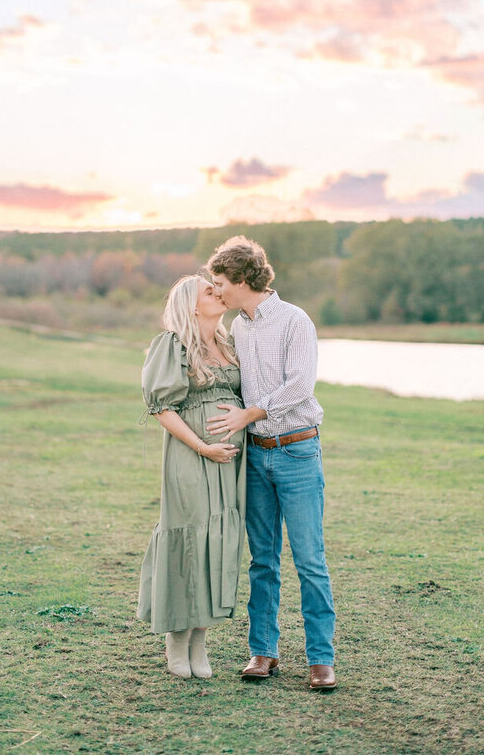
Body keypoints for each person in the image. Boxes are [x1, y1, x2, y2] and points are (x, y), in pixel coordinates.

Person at [206, 235, 338, 691]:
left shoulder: (294, 320)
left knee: (309, 559)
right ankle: (263, 652)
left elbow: (301, 384)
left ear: (243, 278)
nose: (216, 289)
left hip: (298, 452)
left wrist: (251, 413)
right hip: (256, 458)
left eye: (220, 281)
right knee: (263, 561)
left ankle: (321, 659)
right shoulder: (238, 328)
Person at [137, 274, 247, 679]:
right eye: (209, 290)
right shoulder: (173, 344)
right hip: (191, 456)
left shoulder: (229, 344)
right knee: (188, 539)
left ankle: (200, 641)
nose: (218, 293)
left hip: (231, 462)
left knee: (217, 543)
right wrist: (202, 446)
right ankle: (176, 643)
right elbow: (162, 409)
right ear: (190, 303)